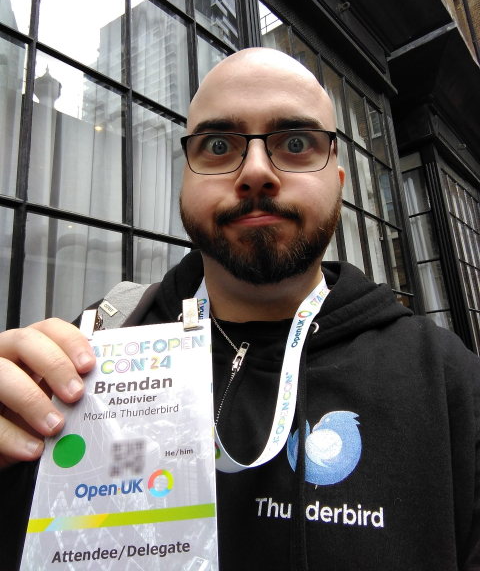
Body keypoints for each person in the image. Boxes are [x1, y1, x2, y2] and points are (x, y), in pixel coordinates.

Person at [0, 48, 479, 571]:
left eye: (295, 143)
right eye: (219, 145)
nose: (255, 172)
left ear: (338, 182)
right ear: (185, 180)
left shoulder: (451, 384)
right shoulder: (86, 355)